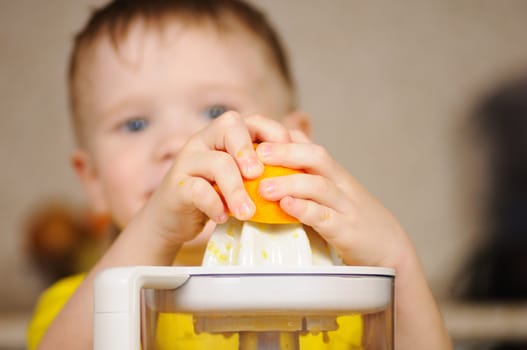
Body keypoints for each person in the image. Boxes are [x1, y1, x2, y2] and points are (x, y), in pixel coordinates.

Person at [27, 0, 452, 349]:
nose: (181, 144)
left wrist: (397, 262)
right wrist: (155, 230)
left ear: (293, 143)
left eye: (216, 112)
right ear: (93, 180)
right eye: (135, 124)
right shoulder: (74, 306)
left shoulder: (341, 300)